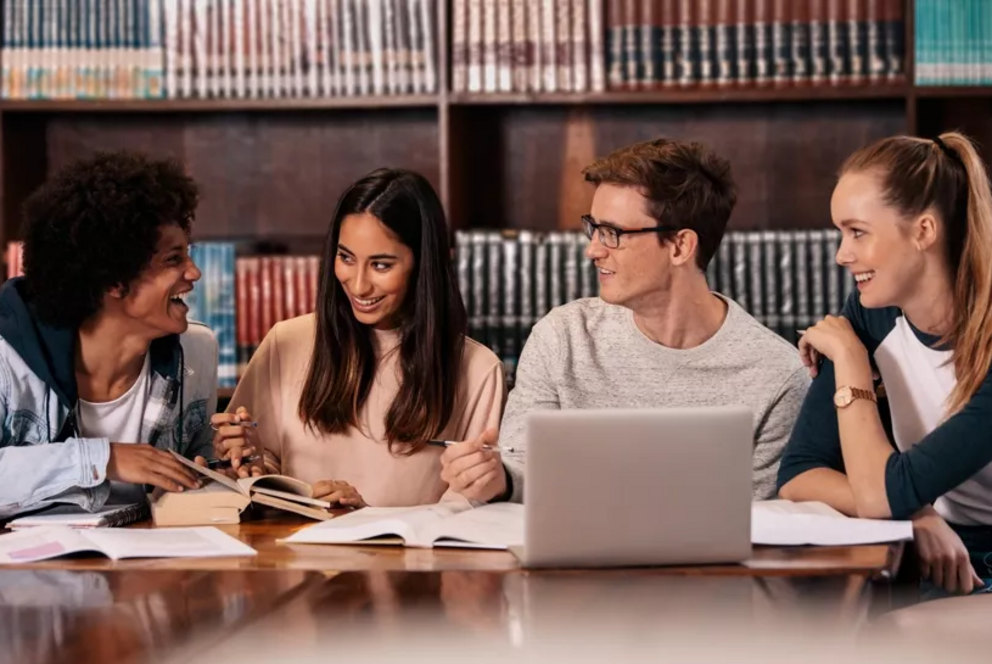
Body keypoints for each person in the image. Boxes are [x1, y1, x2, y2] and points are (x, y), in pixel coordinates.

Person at [441, 138, 810, 503]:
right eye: (594, 227)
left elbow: (760, 522)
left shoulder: (777, 374)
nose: (593, 249)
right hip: (570, 558)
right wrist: (495, 477)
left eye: (613, 233)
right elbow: (520, 468)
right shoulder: (562, 337)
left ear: (680, 246)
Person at [777, 132, 992, 596]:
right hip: (941, 552)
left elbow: (879, 496)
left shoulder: (860, 336)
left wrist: (851, 358)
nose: (840, 254)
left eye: (857, 232)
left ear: (924, 232)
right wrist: (918, 512)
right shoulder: (872, 313)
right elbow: (799, 474)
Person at [212, 168, 505, 507]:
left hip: (409, 558)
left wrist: (365, 517)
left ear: (423, 265)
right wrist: (248, 459)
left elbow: (468, 510)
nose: (359, 285)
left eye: (381, 265)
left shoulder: (477, 370)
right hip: (292, 555)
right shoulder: (286, 342)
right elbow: (256, 477)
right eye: (346, 258)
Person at [0, 150, 217, 519]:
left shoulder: (196, 351)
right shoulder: (7, 358)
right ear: (113, 279)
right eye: (173, 260)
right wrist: (105, 458)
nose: (194, 273)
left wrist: (229, 465)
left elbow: (196, 475)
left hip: (154, 565)